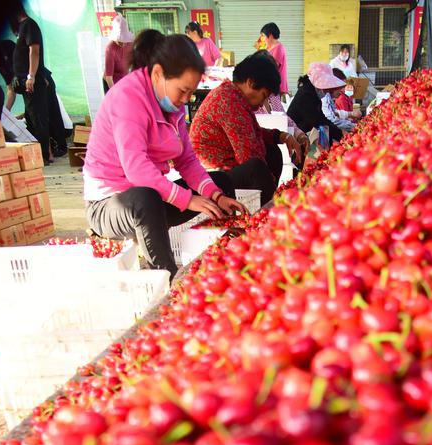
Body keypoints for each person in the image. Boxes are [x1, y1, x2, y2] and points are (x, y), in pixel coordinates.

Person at [83, 31, 244, 279]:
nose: (186, 100)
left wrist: (215, 195)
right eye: (183, 91)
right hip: (109, 205)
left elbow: (187, 160)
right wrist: (187, 200)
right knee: (145, 199)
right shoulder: (128, 98)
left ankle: (228, 260)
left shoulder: (172, 107)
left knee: (219, 183)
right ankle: (166, 279)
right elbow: (135, 168)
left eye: (191, 93)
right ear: (158, 74)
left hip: (153, 201)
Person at [190, 52, 302, 205]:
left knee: (271, 152)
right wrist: (278, 191)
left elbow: (251, 131)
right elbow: (248, 154)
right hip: (212, 176)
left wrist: (281, 136)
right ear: (250, 82)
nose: (263, 104)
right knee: (257, 168)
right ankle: (261, 215)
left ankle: (263, 207)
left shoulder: (235, 96)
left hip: (226, 168)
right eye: (263, 95)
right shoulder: (228, 101)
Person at [9, 1, 50, 164]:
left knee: (37, 118)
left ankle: (44, 155)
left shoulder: (29, 25)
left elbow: (34, 51)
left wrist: (31, 76)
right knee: (32, 118)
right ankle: (40, 155)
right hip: (26, 81)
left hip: (31, 81)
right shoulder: (23, 27)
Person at [287, 65, 343, 147]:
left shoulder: (312, 92)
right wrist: (340, 135)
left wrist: (339, 133)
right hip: (298, 138)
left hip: (305, 134)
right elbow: (317, 120)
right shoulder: (306, 94)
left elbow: (321, 117)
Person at [258, 22, 288, 100]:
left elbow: (272, 67)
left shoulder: (279, 48)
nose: (262, 39)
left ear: (270, 35)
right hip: (268, 84)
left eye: (263, 36)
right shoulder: (268, 47)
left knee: (274, 110)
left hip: (274, 85)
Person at [104, 13, 134, 90]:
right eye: (120, 40)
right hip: (113, 83)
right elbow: (109, 78)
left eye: (125, 39)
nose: (123, 43)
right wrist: (115, 93)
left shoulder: (130, 44)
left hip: (125, 79)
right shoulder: (110, 49)